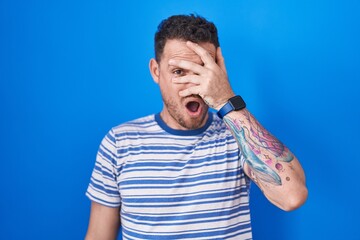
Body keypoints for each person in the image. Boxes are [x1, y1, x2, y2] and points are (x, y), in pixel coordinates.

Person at [85, 14, 308, 240]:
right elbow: (98, 236)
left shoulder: (237, 137)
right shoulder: (119, 142)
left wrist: (226, 99)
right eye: (179, 72)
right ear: (155, 71)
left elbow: (292, 196)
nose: (193, 87)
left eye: (202, 70)